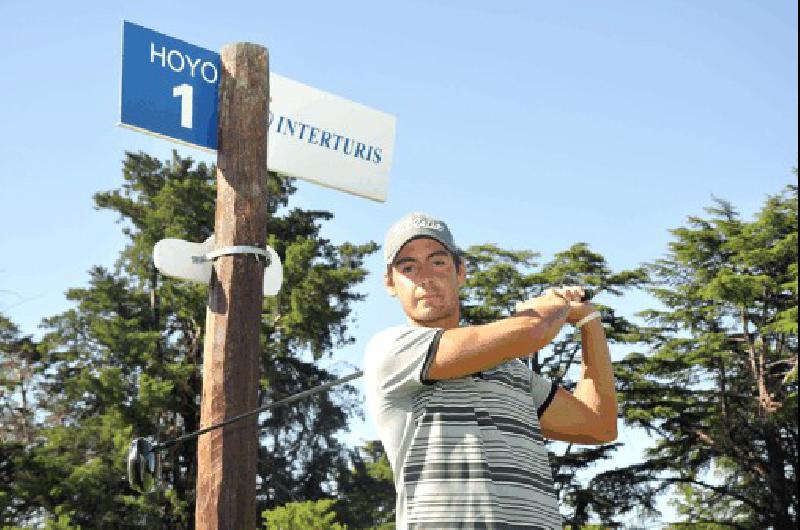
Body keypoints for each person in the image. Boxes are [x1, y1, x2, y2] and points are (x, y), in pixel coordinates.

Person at [363, 212, 618, 529]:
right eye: (408, 268)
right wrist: (551, 305)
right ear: (390, 283)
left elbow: (599, 425)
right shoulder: (391, 349)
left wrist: (588, 323)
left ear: (461, 271)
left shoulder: (513, 371)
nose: (425, 277)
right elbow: (532, 331)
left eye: (438, 262)